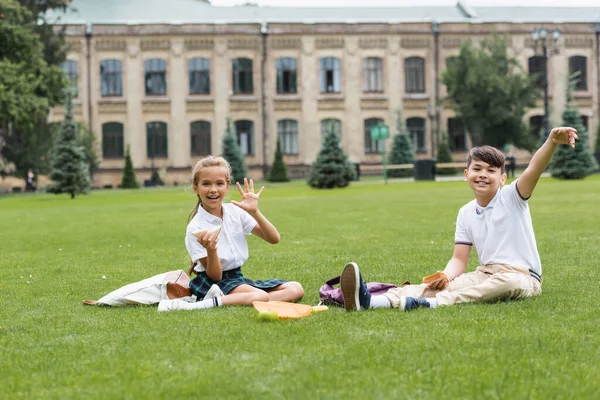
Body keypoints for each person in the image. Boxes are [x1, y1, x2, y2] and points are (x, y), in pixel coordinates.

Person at [340, 127, 578, 312]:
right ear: (467, 175)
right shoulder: (465, 212)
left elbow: (533, 169)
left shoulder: (512, 197)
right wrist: (445, 276)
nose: (483, 174)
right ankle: (371, 301)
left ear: (503, 178)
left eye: (491, 170)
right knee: (441, 285)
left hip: (522, 276)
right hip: (485, 272)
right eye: (477, 169)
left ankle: (435, 304)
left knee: (506, 285)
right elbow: (459, 259)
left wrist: (551, 141)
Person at [158, 156, 304, 312]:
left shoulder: (235, 212)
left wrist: (255, 212)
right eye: (206, 184)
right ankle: (194, 306)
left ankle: (246, 299)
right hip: (212, 282)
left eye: (219, 183)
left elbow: (274, 238)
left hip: (236, 279)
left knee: (296, 289)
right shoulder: (196, 227)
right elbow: (215, 276)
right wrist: (211, 250)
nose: (213, 189)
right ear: (196, 188)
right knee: (259, 296)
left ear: (227, 187)